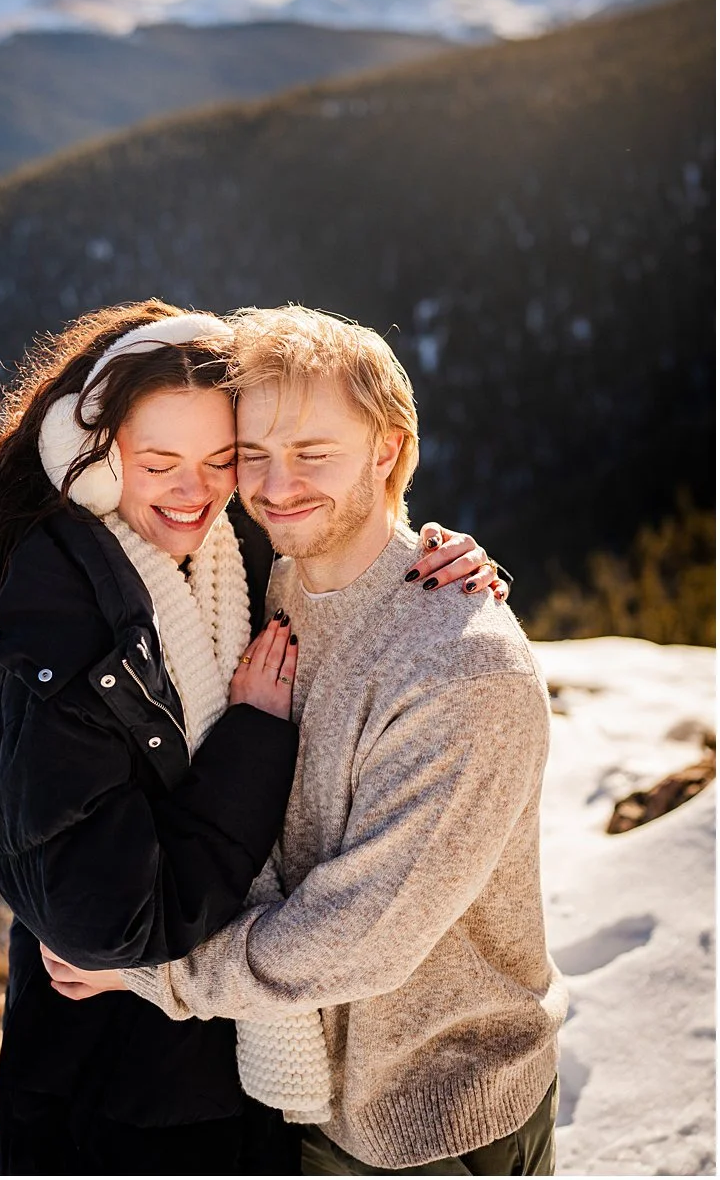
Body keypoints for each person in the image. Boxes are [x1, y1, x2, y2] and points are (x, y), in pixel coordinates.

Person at [0, 299, 506, 1175]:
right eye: (160, 462)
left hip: (227, 1073)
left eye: (224, 459)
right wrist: (251, 736)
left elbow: (338, 531)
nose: (197, 489)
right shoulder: (60, 634)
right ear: (92, 464)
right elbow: (111, 923)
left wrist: (435, 562)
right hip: (121, 1092)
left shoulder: (227, 559)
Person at [42, 307, 563, 1176]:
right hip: (298, 1093)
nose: (276, 485)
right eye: (254, 454)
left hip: (437, 1120)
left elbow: (358, 937)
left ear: (388, 450)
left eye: (314, 452)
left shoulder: (464, 671)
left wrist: (152, 969)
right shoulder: (266, 575)